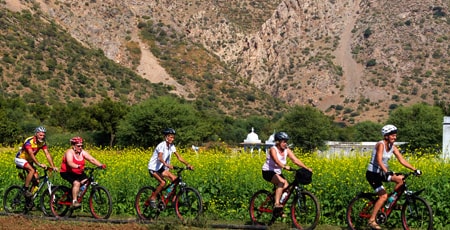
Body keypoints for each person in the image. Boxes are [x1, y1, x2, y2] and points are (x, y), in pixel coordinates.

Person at [365, 125, 421, 230]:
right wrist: (387, 172)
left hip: (383, 172)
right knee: (383, 196)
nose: (395, 137)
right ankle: (371, 220)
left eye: (395, 135)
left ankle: (390, 202)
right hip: (373, 174)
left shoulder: (393, 146)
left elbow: (402, 160)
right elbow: (379, 160)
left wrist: (414, 169)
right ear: (386, 136)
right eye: (393, 135)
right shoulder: (380, 145)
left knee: (401, 180)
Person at [261, 131, 312, 209]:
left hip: (277, 172)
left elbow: (295, 160)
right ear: (278, 142)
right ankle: (276, 204)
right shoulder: (273, 149)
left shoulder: (287, 150)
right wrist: (284, 166)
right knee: (281, 182)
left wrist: (306, 168)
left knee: (288, 187)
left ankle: (279, 207)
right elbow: (276, 160)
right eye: (284, 142)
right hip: (268, 171)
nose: (286, 144)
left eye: (286, 142)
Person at [147, 128, 193, 208]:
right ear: (166, 137)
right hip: (153, 168)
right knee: (163, 183)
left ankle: (173, 200)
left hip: (160, 168)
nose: (172, 139)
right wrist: (166, 164)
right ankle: (153, 198)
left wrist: (188, 164)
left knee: (175, 180)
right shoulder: (161, 145)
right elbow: (160, 157)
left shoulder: (171, 146)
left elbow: (179, 157)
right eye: (171, 137)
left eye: (173, 137)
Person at [59, 136, 106, 208]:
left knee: (86, 181)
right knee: (76, 183)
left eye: (81, 146)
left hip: (78, 172)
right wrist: (78, 166)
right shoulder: (69, 152)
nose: (80, 147)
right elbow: (69, 162)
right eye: (78, 146)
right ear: (73, 146)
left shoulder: (82, 152)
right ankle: (74, 201)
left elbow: (91, 159)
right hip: (66, 172)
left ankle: (76, 193)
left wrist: (101, 165)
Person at [14, 126, 58, 197]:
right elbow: (31, 154)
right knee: (31, 170)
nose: (42, 137)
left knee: (36, 181)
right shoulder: (29, 141)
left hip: (29, 161)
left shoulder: (42, 143)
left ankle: (29, 200)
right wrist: (39, 164)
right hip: (20, 159)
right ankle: (25, 189)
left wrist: (53, 166)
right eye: (40, 135)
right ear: (36, 134)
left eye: (44, 135)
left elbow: (47, 154)